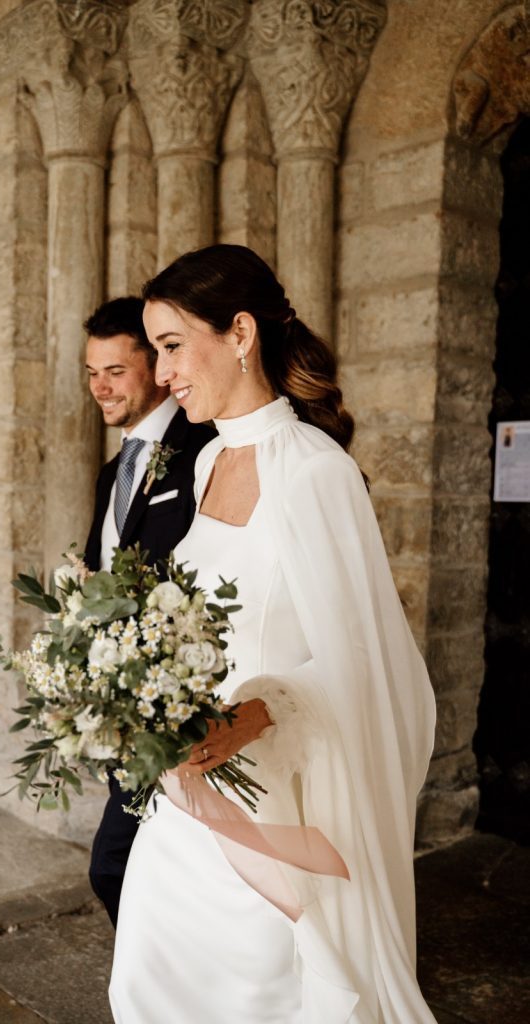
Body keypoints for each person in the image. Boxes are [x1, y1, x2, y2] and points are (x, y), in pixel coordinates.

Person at [109, 247, 438, 1023]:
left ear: (240, 333)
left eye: (172, 346)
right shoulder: (209, 461)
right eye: (155, 350)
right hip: (184, 804)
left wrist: (254, 713)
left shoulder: (315, 472)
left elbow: (373, 669)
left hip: (269, 803)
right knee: (143, 987)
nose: (162, 373)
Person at [82, 296, 215, 927]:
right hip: (129, 703)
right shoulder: (113, 470)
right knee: (149, 866)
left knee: (114, 866)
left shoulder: (202, 448)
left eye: (115, 371)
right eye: (92, 373)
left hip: (186, 703)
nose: (100, 387)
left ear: (157, 367)